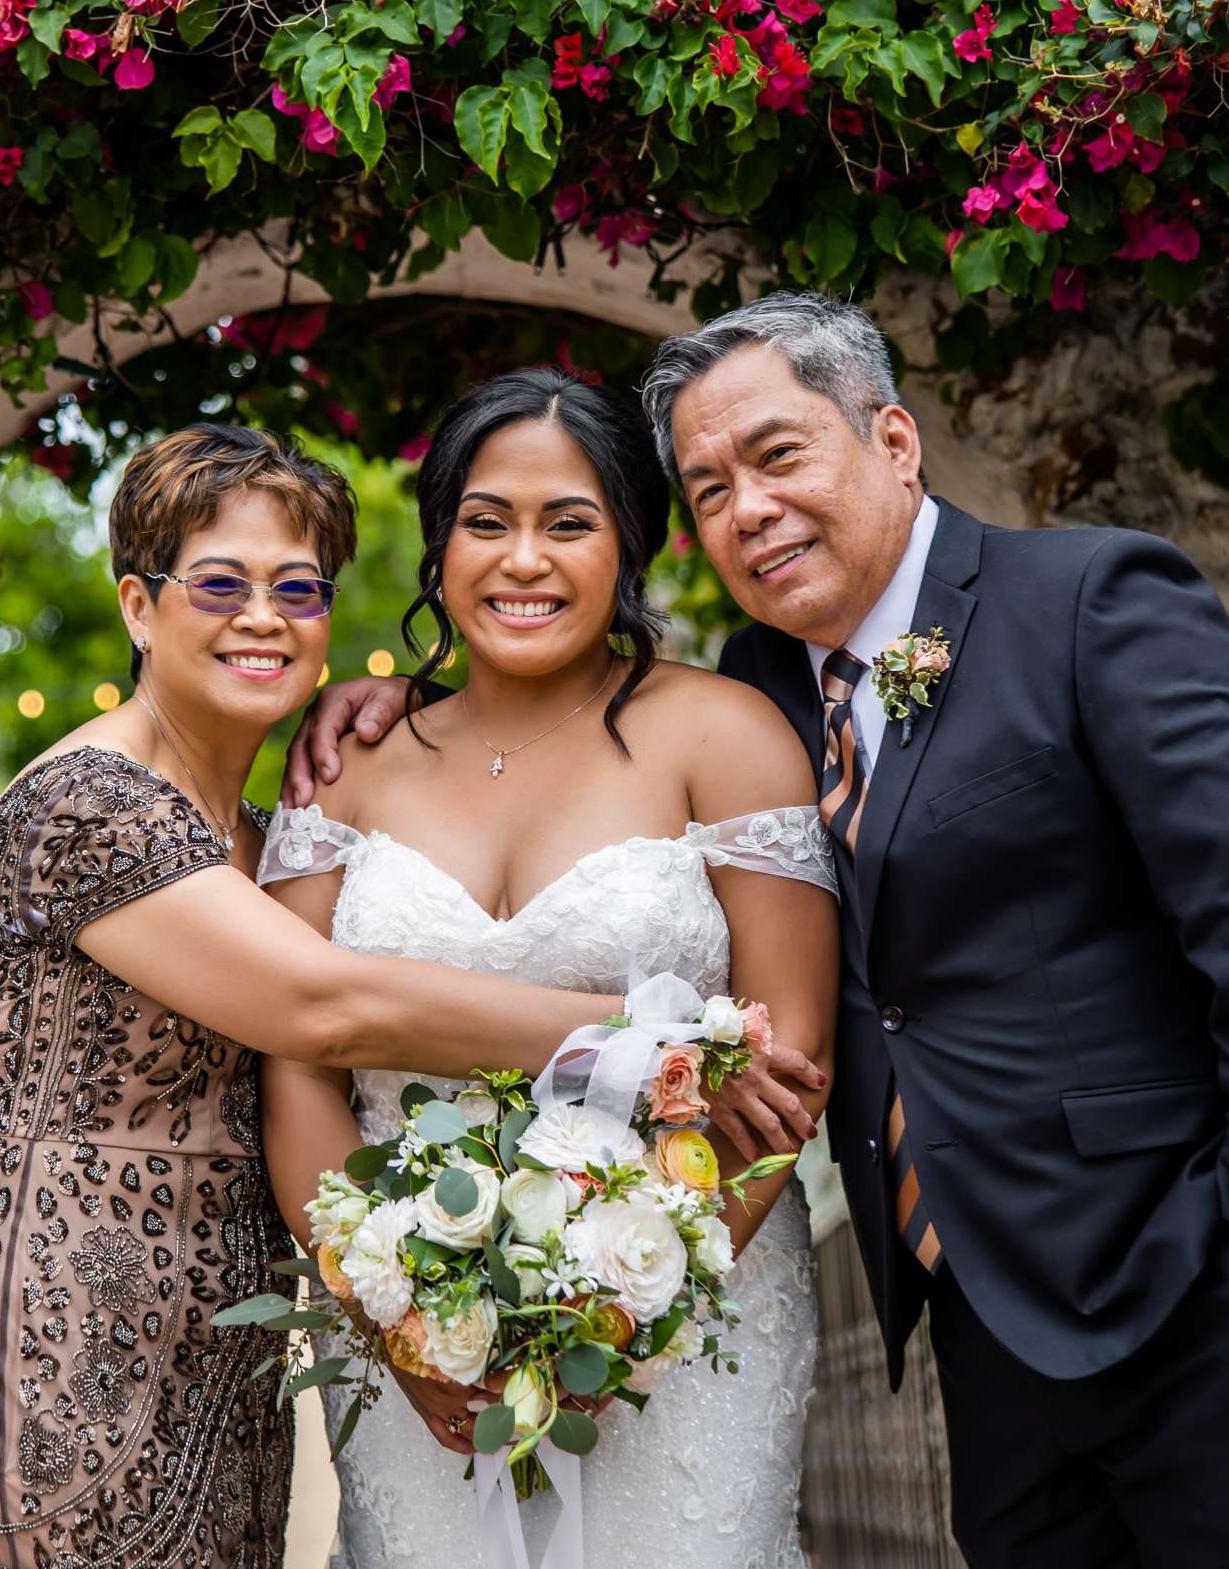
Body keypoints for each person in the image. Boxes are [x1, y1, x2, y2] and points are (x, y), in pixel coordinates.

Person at [287, 294, 1229, 1569]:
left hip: (1197, 1273)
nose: (749, 509)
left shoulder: (1089, 599)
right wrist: (397, 694)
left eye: (778, 456)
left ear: (893, 440)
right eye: (710, 489)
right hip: (983, 1308)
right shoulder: (770, 686)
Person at [0, 424, 810, 1569]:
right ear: (138, 604)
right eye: (219, 583)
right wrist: (669, 1043)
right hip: (55, 1336)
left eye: (299, 588)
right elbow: (323, 1008)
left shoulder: (257, 823)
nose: (264, 617)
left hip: (218, 1357)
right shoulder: (91, 804)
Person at [257, 367, 839, 1568]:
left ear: (629, 541)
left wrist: (627, 1320)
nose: (523, 560)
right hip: (409, 1338)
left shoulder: (725, 735)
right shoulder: (345, 765)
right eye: (487, 521)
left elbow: (785, 1074)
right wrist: (402, 1329)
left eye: (568, 523)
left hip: (688, 1328)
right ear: (440, 543)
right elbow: (294, 1063)